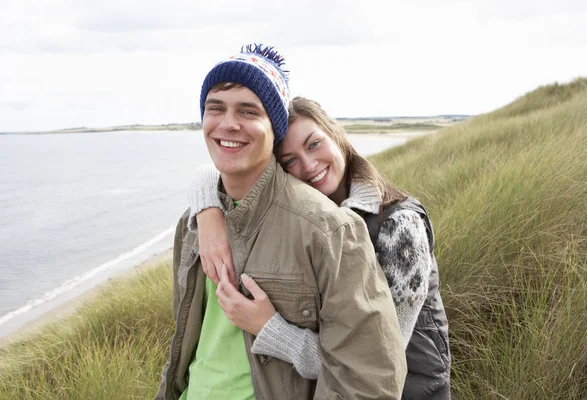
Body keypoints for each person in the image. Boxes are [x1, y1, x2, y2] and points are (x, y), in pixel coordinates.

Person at [156, 44, 407, 400]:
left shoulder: (330, 230)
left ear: (274, 128)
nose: (228, 123)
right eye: (216, 108)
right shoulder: (194, 223)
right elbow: (189, 341)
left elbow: (368, 377)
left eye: (248, 111)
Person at [188, 96, 451, 398]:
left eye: (314, 144)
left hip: (411, 390)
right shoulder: (312, 223)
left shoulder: (400, 227)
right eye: (290, 161)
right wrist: (208, 211)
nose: (309, 165)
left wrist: (268, 328)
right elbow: (210, 170)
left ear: (336, 134)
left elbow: (376, 358)